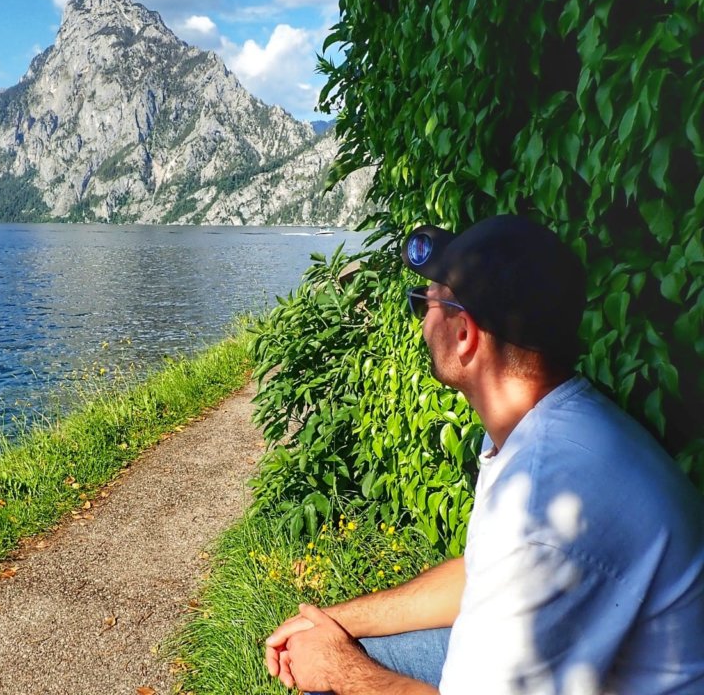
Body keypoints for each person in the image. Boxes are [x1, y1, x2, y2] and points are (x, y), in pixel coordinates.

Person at [264, 215, 704, 694]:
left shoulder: (540, 503)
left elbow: (521, 552)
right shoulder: (549, 428)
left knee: (331, 683)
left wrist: (338, 669)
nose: (422, 323)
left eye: (424, 306)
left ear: (464, 334)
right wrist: (333, 622)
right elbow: (480, 573)